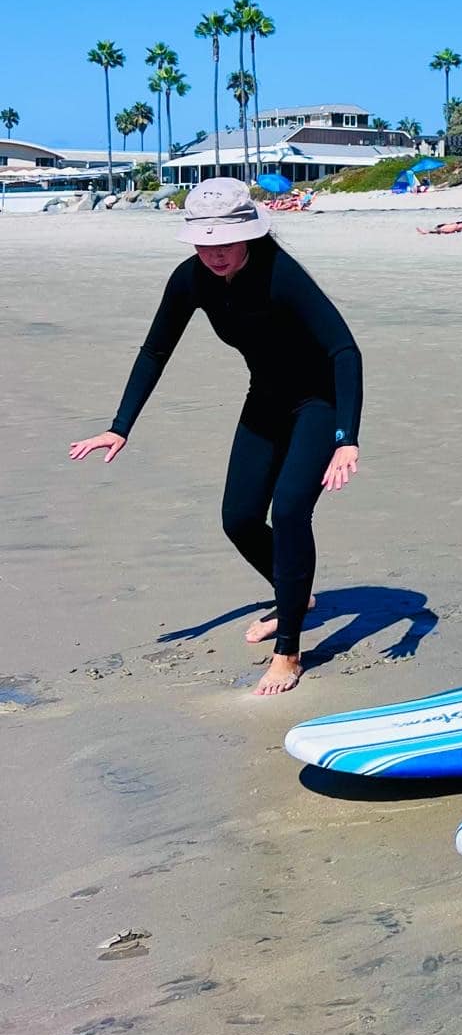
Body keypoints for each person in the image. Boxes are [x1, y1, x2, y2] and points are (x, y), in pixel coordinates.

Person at [69, 178, 363, 696]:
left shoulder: (282, 275)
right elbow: (155, 350)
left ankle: (289, 652)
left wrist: (346, 437)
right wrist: (120, 427)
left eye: (225, 242)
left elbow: (345, 351)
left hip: (319, 403)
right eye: (204, 244)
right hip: (265, 401)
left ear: (249, 233)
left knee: (291, 510)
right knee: (240, 520)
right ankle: (295, 592)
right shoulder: (191, 280)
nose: (215, 254)